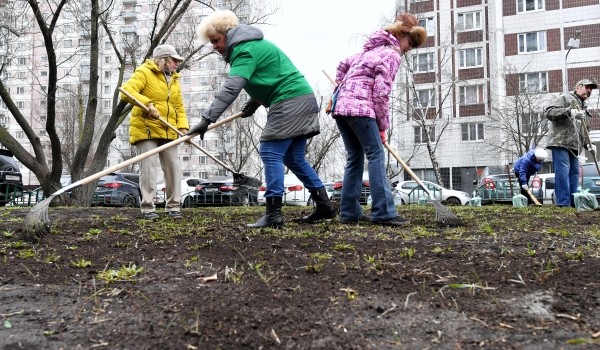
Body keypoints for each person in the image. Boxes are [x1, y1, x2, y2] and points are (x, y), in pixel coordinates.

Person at [188, 10, 335, 228]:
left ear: (227, 34)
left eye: (216, 40)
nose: (214, 46)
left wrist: (207, 119)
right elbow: (270, 75)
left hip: (289, 100)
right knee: (294, 158)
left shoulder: (243, 50)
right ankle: (324, 206)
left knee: (270, 150)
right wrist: (255, 101)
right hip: (302, 98)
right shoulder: (253, 46)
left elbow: (231, 88)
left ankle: (273, 213)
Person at [331, 13, 426, 225]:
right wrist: (382, 126)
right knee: (376, 155)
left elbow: (342, 64)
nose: (409, 48)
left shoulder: (368, 52)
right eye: (410, 42)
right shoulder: (391, 55)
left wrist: (342, 86)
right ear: (401, 34)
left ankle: (349, 212)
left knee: (354, 158)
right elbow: (381, 94)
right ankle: (384, 212)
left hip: (341, 108)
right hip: (361, 110)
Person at [121, 44, 189, 219]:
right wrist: (148, 104)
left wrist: (183, 128)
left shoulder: (174, 79)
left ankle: (173, 207)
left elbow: (178, 106)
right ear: (164, 60)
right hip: (147, 128)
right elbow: (126, 91)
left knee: (174, 167)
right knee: (149, 168)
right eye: (174, 60)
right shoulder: (144, 72)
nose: (177, 64)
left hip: (169, 129)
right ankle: (148, 207)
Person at [544, 79, 598, 207]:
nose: (589, 91)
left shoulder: (585, 108)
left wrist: (589, 144)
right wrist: (569, 111)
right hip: (560, 141)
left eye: (591, 89)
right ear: (578, 87)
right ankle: (563, 202)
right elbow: (549, 112)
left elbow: (584, 129)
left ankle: (574, 202)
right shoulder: (565, 98)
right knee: (563, 170)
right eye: (587, 87)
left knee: (574, 172)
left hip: (575, 145)